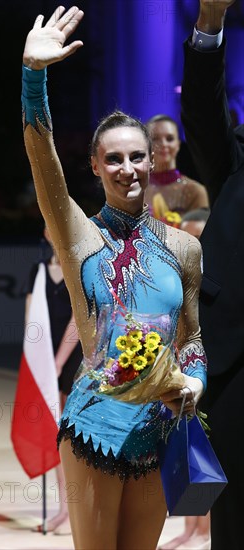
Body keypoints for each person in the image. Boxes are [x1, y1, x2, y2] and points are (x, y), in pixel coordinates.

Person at [21, 7, 207, 549]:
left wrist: (193, 381)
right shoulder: (78, 235)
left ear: (153, 162)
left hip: (159, 432)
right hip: (93, 431)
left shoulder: (185, 249)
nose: (127, 168)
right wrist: (34, 77)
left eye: (137, 157)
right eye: (113, 159)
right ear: (96, 166)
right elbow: (42, 161)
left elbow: (190, 337)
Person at [181, 1, 244, 549]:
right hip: (238, 361)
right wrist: (210, 22)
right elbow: (203, 112)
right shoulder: (235, 161)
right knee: (235, 513)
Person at [159, 207, 211, 550]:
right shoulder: (180, 276)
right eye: (189, 237)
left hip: (208, 372)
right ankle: (192, 527)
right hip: (183, 367)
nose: (194, 244)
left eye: (200, 238)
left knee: (205, 453)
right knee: (189, 448)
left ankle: (204, 531)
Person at [27, 226, 82, 535]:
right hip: (45, 359)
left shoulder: (78, 266)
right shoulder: (36, 270)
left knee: (72, 437)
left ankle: (76, 509)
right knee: (57, 434)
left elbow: (78, 319)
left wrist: (58, 363)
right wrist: (41, 362)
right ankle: (63, 508)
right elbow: (31, 319)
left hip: (73, 359)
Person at [145, 114, 209, 219]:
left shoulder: (195, 191)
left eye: (169, 139)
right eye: (155, 138)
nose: (163, 144)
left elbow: (200, 233)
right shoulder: (135, 190)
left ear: (178, 144)